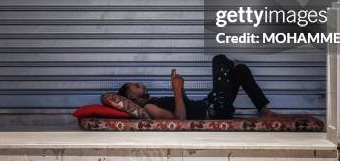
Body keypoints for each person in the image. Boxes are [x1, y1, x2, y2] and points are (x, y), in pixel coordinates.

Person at [117, 54, 277, 120]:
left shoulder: (153, 100)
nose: (141, 85)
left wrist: (181, 89)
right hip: (213, 110)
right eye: (137, 86)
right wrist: (177, 91)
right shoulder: (150, 108)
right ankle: (263, 109)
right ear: (131, 97)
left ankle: (263, 109)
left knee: (240, 70)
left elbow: (184, 106)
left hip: (211, 103)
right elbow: (180, 120)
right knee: (220, 60)